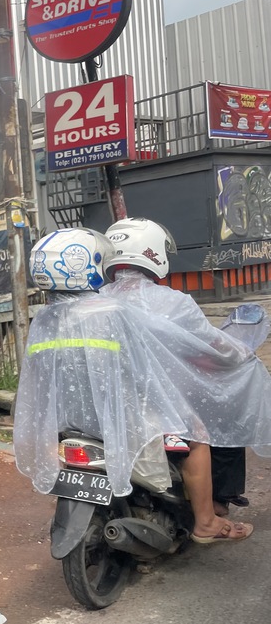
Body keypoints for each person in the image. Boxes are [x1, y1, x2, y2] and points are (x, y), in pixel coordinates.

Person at [14, 227, 271, 543]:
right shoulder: (116, 311)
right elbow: (149, 365)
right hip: (121, 411)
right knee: (197, 435)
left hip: (68, 416)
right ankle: (205, 522)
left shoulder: (46, 318)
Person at [100, 217, 260, 535]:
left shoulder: (96, 299)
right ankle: (207, 521)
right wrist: (241, 353)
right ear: (154, 253)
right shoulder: (173, 302)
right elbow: (212, 343)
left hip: (101, 406)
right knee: (198, 434)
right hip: (151, 405)